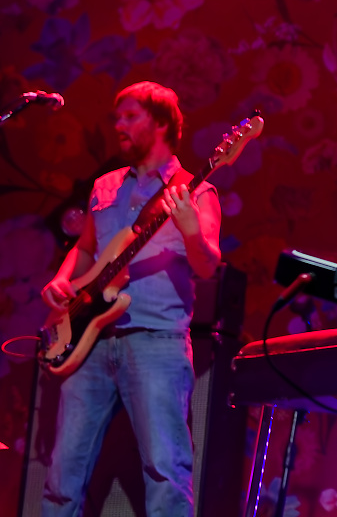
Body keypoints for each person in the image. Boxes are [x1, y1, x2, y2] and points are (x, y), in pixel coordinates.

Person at [40, 81, 221, 517]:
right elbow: (85, 249)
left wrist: (190, 228)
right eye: (116, 117)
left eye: (130, 117)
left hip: (157, 342)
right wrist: (63, 281)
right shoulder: (104, 185)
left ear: (161, 124)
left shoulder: (194, 191)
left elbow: (208, 265)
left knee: (165, 473)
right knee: (63, 475)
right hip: (91, 343)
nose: (118, 125)